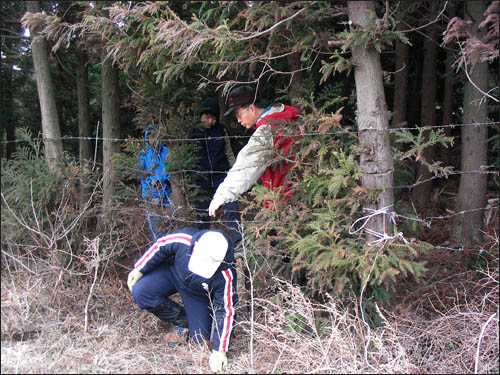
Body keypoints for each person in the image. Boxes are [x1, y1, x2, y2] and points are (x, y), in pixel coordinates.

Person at [127, 228, 238, 373]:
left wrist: (219, 351)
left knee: (200, 339)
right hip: (172, 273)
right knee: (141, 292)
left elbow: (226, 310)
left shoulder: (226, 275)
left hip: (197, 295)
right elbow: (161, 245)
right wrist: (139, 268)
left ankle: (189, 323)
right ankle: (181, 319)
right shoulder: (185, 239)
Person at [208, 86, 301, 217]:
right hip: (306, 192)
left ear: (251, 108)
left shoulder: (267, 130)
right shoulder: (288, 116)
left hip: (285, 202)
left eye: (239, 115)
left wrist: (221, 196)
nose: (239, 120)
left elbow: (246, 166)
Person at [191, 97, 242, 248]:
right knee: (202, 214)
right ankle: (201, 245)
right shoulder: (194, 133)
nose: (209, 121)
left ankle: (239, 243)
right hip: (202, 179)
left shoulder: (221, 130)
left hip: (222, 176)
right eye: (206, 117)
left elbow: (228, 152)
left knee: (231, 209)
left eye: (213, 117)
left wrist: (235, 170)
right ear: (201, 116)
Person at [139, 125, 172, 240]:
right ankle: (159, 246)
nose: (154, 139)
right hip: (152, 193)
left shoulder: (166, 151)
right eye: (151, 137)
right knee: (155, 224)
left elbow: (173, 170)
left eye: (156, 136)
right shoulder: (144, 154)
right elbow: (140, 173)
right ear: (147, 138)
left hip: (168, 192)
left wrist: (167, 180)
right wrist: (152, 184)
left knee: (171, 221)